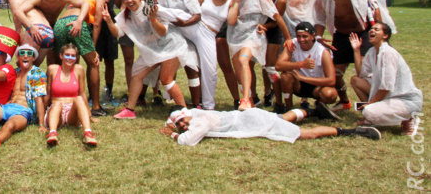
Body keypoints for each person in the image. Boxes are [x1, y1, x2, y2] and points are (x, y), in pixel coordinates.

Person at [102, 0, 194, 119]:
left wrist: (153, 18)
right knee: (137, 74)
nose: (129, 1)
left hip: (171, 46)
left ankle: (184, 112)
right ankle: (130, 110)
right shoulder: (126, 15)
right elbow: (117, 32)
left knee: (166, 79)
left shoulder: (153, 8)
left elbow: (162, 32)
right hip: (152, 50)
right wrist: (109, 21)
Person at [314, 0, 396, 112]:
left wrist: (378, 26)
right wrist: (319, 37)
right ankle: (344, 101)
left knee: (366, 71)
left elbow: (374, 3)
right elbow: (319, 20)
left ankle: (376, 104)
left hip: (364, 32)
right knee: (335, 73)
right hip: (341, 35)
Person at [227, 0, 293, 110]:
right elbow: (231, 21)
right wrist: (236, 2)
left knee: (244, 60)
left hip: (254, 35)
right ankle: (250, 102)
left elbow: (277, 18)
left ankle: (247, 99)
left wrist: (288, 37)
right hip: (236, 37)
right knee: (239, 72)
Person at [160, 105, 381, 146]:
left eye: (182, 121)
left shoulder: (198, 121)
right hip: (250, 116)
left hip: (254, 121)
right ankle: (313, 111)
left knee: (305, 135)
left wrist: (173, 135)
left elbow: (187, 141)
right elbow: (183, 123)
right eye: (179, 124)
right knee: (282, 118)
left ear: (186, 116)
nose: (183, 125)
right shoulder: (195, 113)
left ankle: (352, 132)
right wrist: (173, 125)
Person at [148, 0, 204, 107]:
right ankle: (170, 98)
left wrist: (184, 24)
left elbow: (197, 15)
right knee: (168, 68)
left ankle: (197, 104)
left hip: (187, 32)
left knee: (191, 68)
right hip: (172, 34)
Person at [350, 23, 423, 136]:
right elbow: (361, 74)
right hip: (389, 97)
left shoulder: (388, 53)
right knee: (356, 80)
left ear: (385, 35)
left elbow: (386, 87)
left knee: (368, 111)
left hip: (406, 101)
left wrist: (370, 104)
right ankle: (373, 114)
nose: (371, 31)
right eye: (371, 29)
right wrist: (356, 50)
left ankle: (409, 118)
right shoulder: (372, 51)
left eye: (376, 29)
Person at [0, 44, 47, 150]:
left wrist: (42, 124)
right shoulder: (14, 72)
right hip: (5, 108)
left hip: (22, 111)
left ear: (33, 58)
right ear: (18, 57)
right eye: (22, 53)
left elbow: (39, 99)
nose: (25, 56)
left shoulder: (37, 74)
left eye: (29, 53)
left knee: (10, 125)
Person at [49, 0, 108, 116]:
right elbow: (97, 23)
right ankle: (96, 107)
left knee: (61, 65)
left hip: (59, 23)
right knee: (93, 63)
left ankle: (56, 103)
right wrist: (93, 48)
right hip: (75, 21)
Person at [68, 0, 120, 104]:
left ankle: (108, 93)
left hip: (108, 24)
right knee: (90, 60)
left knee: (110, 61)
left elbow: (122, 3)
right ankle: (88, 94)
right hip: (91, 24)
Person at [14, 0, 85, 67]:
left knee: (56, 57)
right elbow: (18, 11)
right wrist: (30, 27)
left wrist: (79, 21)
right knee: (36, 60)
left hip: (54, 26)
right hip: (39, 27)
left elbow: (85, 3)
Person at [197, 0, 239, 110]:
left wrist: (237, 2)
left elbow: (231, 21)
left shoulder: (231, 1)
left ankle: (211, 104)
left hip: (213, 33)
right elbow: (194, 11)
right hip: (197, 28)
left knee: (217, 68)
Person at [276, 22, 338, 114]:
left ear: (313, 36)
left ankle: (320, 105)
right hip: (298, 85)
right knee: (285, 76)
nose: (301, 39)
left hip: (317, 85)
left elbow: (331, 80)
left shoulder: (323, 52)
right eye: (298, 36)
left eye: (305, 36)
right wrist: (301, 64)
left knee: (330, 94)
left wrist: (302, 78)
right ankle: (289, 108)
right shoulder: (293, 44)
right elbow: (278, 65)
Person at [44, 44, 97, 147]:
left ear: (76, 58)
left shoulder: (79, 69)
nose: (70, 58)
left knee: (79, 98)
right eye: (67, 55)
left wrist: (89, 114)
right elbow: (47, 94)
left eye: (73, 56)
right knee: (57, 104)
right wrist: (41, 119)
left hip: (71, 113)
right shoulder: (52, 69)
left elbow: (82, 93)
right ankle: (52, 133)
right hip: (56, 110)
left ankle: (88, 133)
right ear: (61, 56)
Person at [251, 0, 287, 109]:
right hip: (255, 29)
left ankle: (278, 101)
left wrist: (264, 27)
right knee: (248, 64)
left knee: (269, 67)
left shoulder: (281, 0)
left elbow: (276, 21)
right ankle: (253, 97)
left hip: (272, 30)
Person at [0, 0, 52, 65]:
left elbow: (19, 29)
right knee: (34, 66)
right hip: (49, 33)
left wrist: (21, 48)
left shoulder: (14, 1)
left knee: (22, 64)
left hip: (36, 30)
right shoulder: (27, 2)